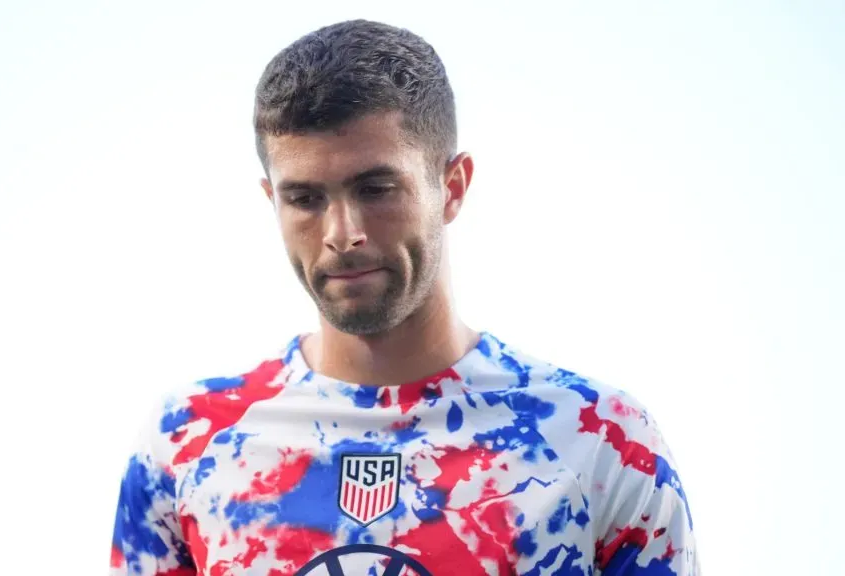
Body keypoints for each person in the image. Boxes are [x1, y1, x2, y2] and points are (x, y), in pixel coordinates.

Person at [108, 19, 699, 576]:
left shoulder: (598, 442)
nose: (343, 233)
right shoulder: (187, 444)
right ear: (272, 200)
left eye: (376, 188)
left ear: (453, 186)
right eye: (305, 198)